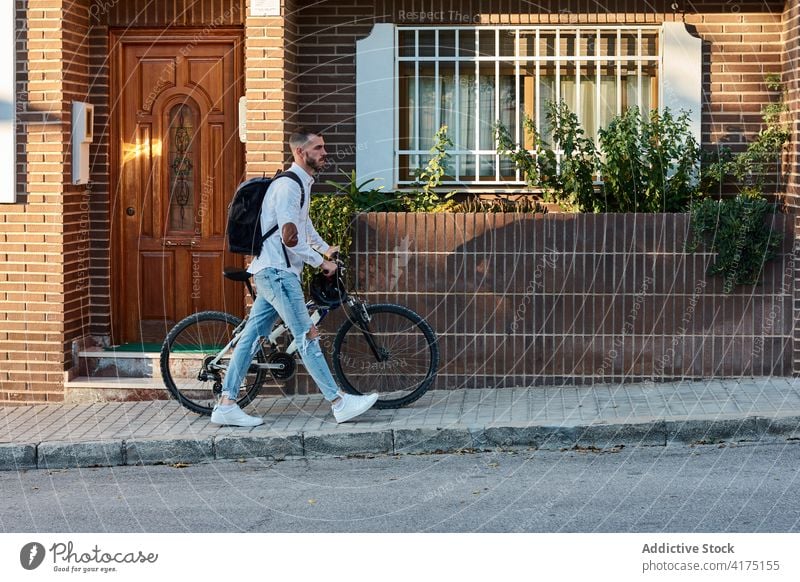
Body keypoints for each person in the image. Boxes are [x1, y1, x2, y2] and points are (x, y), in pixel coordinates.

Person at [211, 128, 378, 427]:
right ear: (301, 152)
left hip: (272, 271)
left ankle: (226, 403)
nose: (324, 152)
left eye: (324, 147)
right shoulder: (289, 186)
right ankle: (339, 402)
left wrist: (325, 248)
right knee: (307, 336)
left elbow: (304, 225)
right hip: (278, 273)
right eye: (319, 148)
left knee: (250, 339)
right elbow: (290, 238)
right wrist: (320, 263)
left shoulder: (301, 183)